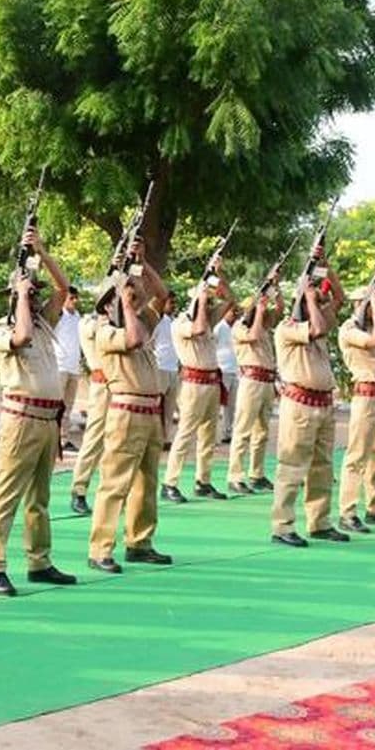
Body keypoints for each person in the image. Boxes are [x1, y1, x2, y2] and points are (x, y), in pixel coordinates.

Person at [0, 230, 77, 595]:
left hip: (46, 420)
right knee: (7, 495)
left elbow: (64, 287)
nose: (36, 297)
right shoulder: (3, 329)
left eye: (36, 293)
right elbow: (20, 336)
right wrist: (21, 294)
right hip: (20, 419)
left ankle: (39, 560)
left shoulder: (41, 324)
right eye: (29, 292)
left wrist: (41, 251)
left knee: (40, 497)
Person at [87, 239, 173, 572]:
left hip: (149, 411)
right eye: (125, 297)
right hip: (125, 412)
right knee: (115, 484)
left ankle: (139, 541)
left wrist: (141, 260)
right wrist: (124, 300)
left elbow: (161, 295)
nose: (134, 299)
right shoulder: (104, 330)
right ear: (108, 303)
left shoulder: (136, 319)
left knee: (146, 481)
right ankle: (100, 549)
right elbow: (134, 338)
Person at [271, 251, 347, 547]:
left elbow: (338, 299)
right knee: (292, 466)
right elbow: (317, 327)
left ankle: (320, 521)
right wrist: (310, 298)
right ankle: (282, 526)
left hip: (322, 403)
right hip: (299, 403)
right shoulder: (287, 328)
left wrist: (324, 266)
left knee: (323, 466)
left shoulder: (314, 318)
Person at [162, 263, 232, 502]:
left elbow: (231, 302)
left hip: (211, 382)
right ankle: (170, 482)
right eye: (205, 301)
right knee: (185, 434)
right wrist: (201, 300)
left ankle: (204, 480)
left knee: (208, 435)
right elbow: (200, 328)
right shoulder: (180, 323)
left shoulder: (207, 317)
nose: (210, 305)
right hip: (193, 383)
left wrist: (218, 275)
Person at [336, 281, 375, 531]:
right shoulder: (349, 329)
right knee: (357, 455)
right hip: (366, 395)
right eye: (374, 302)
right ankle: (348, 511)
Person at [226, 286, 282, 495]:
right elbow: (254, 336)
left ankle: (256, 473)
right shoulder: (240, 328)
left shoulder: (263, 326)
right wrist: (258, 310)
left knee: (262, 432)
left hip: (267, 380)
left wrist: (274, 288)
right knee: (243, 431)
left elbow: (280, 309)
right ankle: (235, 475)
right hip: (251, 380)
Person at [67, 295, 110, 514]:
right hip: (102, 386)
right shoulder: (90, 323)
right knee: (94, 439)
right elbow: (92, 331)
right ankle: (79, 488)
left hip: (123, 387)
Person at [53, 285, 82, 450]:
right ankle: (53, 438)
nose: (75, 301)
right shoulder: (59, 315)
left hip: (73, 367)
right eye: (71, 298)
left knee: (68, 406)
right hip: (60, 365)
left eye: (76, 298)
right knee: (57, 405)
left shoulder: (77, 316)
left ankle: (64, 439)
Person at [153, 293, 179, 446]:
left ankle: (166, 438)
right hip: (160, 366)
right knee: (157, 406)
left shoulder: (174, 322)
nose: (173, 305)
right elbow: (149, 343)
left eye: (174, 302)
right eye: (171, 302)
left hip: (173, 368)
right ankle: (155, 437)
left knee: (169, 408)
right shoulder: (156, 321)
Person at [215, 302, 240, 443]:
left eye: (236, 312)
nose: (234, 315)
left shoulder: (237, 328)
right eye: (232, 312)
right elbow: (212, 345)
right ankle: (213, 434)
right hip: (222, 369)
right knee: (218, 404)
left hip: (234, 370)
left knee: (231, 405)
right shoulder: (219, 327)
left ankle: (227, 433)